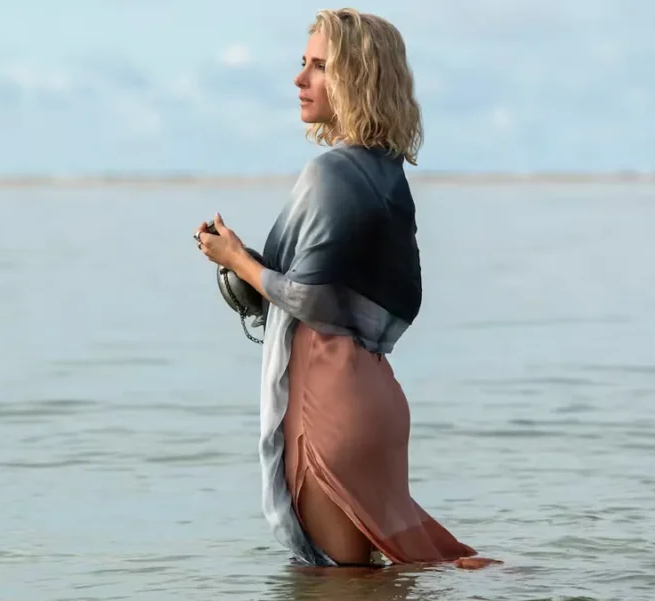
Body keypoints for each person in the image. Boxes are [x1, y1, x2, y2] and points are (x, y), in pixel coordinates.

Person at [194, 8, 498, 570]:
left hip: (326, 402)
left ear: (358, 78)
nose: (299, 79)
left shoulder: (331, 174)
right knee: (414, 567)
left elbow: (309, 298)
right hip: (374, 395)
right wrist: (245, 262)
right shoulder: (387, 175)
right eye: (303, 63)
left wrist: (234, 259)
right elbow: (341, 291)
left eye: (320, 67)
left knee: (340, 583)